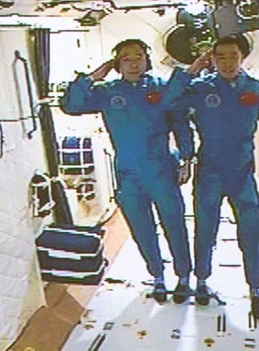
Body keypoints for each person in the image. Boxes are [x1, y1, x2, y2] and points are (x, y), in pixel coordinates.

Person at [168, 35, 259, 319]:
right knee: (205, 228)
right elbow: (170, 104)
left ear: (243, 57)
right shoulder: (200, 89)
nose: (227, 63)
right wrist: (192, 70)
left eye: (233, 56)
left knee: (252, 230)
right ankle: (201, 281)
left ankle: (255, 288)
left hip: (241, 173)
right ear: (212, 59)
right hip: (209, 171)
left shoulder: (256, 91)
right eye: (220, 57)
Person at [60, 39, 194, 304]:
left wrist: (187, 159)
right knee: (142, 228)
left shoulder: (161, 88)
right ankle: (157, 276)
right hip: (129, 173)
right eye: (126, 59)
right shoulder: (108, 93)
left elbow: (180, 123)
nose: (133, 63)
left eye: (138, 57)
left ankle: (184, 277)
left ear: (147, 60)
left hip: (161, 169)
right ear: (117, 63)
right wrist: (96, 74)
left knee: (174, 224)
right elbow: (71, 105)